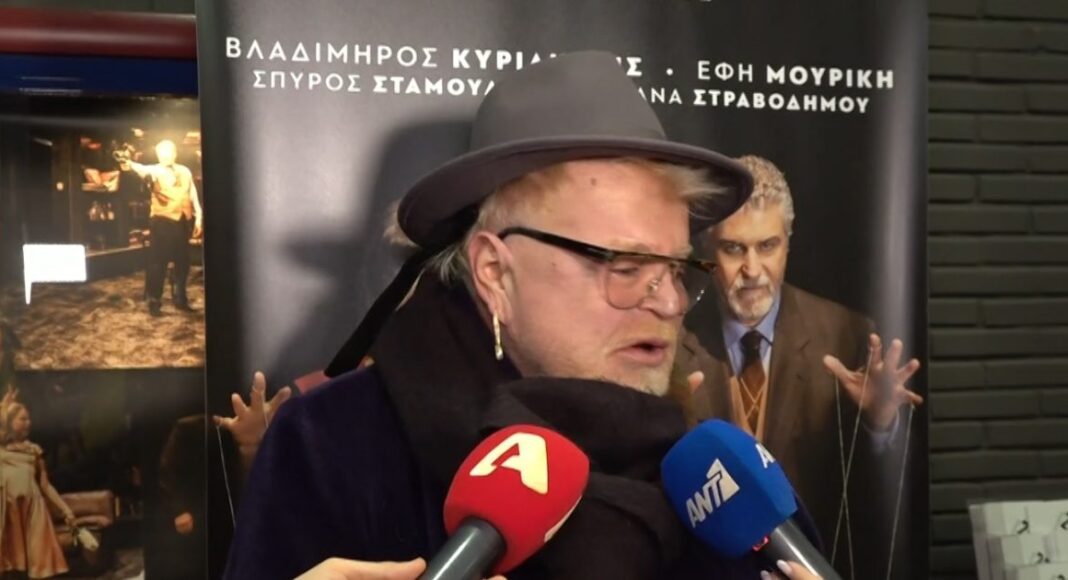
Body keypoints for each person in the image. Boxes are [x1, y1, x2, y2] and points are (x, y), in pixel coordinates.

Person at [224, 51, 823, 580]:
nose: (668, 304)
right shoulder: (332, 447)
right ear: (495, 272)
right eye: (624, 264)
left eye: (676, 269)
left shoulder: (720, 478)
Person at [675, 155, 923, 577]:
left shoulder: (846, 333)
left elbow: (877, 494)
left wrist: (880, 423)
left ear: (788, 243)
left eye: (767, 246)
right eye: (733, 248)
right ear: (707, 250)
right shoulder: (673, 339)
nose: (752, 270)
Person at [119, 139, 203, 316]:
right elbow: (138, 168)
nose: (164, 156)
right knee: (158, 263)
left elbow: (192, 194)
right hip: (161, 222)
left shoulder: (185, 171)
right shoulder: (154, 170)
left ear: (175, 153)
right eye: (161, 153)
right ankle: (154, 302)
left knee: (183, 263)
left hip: (182, 221)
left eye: (168, 152)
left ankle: (181, 299)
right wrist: (127, 161)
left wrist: (199, 217)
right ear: (158, 155)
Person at [0, 390, 76, 579]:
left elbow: (45, 485)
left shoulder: (33, 450)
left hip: (33, 509)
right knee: (11, 563)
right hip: (8, 510)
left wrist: (66, 510)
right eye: (23, 419)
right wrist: (4, 405)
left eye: (29, 419)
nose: (29, 423)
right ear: (9, 422)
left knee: (38, 560)